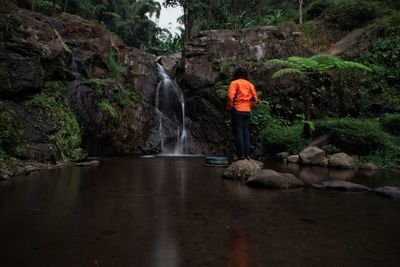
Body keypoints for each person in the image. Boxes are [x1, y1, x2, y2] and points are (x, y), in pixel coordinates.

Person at [226, 67, 258, 160]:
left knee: (238, 132)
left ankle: (241, 155)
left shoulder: (235, 83)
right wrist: (248, 105)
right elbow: (255, 99)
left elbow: (230, 96)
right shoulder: (250, 84)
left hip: (237, 109)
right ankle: (247, 155)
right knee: (246, 132)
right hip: (247, 111)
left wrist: (229, 106)